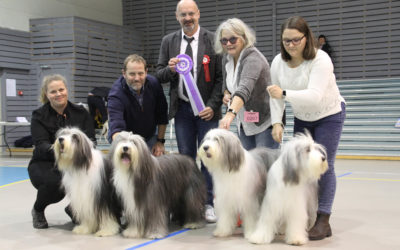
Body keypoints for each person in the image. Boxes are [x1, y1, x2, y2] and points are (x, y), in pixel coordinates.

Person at [267, 16, 346, 241]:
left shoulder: (321, 59)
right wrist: (277, 122)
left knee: (324, 166)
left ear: (306, 37)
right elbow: (274, 96)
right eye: (286, 41)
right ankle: (305, 214)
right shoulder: (277, 62)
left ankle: (323, 219)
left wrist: (283, 93)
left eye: (296, 40)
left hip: (329, 114)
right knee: (301, 168)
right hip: (302, 117)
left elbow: (314, 96)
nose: (291, 45)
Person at [155, 0, 223, 223]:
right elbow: (158, 74)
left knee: (209, 159)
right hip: (182, 109)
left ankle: (208, 203)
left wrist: (213, 106)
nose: (187, 18)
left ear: (198, 14)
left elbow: (221, 78)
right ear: (177, 17)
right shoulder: (168, 41)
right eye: (183, 14)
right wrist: (171, 69)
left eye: (191, 14)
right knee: (186, 159)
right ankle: (185, 203)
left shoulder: (213, 39)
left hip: (208, 112)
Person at [28, 74, 96, 229]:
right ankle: (38, 210)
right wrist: (63, 150)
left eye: (61, 89)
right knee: (55, 184)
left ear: (67, 90)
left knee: (97, 177)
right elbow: (41, 145)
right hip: (46, 162)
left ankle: (74, 209)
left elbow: (91, 139)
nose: (58, 94)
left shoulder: (81, 112)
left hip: (78, 160)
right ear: (46, 94)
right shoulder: (39, 115)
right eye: (53, 92)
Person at [215, 18, 280, 151]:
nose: (228, 44)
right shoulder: (226, 59)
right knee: (250, 168)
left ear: (244, 38)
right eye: (224, 40)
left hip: (264, 122)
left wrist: (229, 114)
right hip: (244, 122)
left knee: (264, 168)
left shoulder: (253, 58)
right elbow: (227, 87)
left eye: (233, 39)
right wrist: (226, 95)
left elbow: (244, 88)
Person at [108, 54, 168, 156]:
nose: (137, 78)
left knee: (154, 167)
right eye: (132, 74)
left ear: (146, 72)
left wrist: (160, 142)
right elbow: (116, 127)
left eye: (140, 73)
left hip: (149, 136)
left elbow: (162, 115)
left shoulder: (154, 84)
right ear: (124, 73)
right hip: (125, 139)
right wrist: (125, 148)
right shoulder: (116, 94)